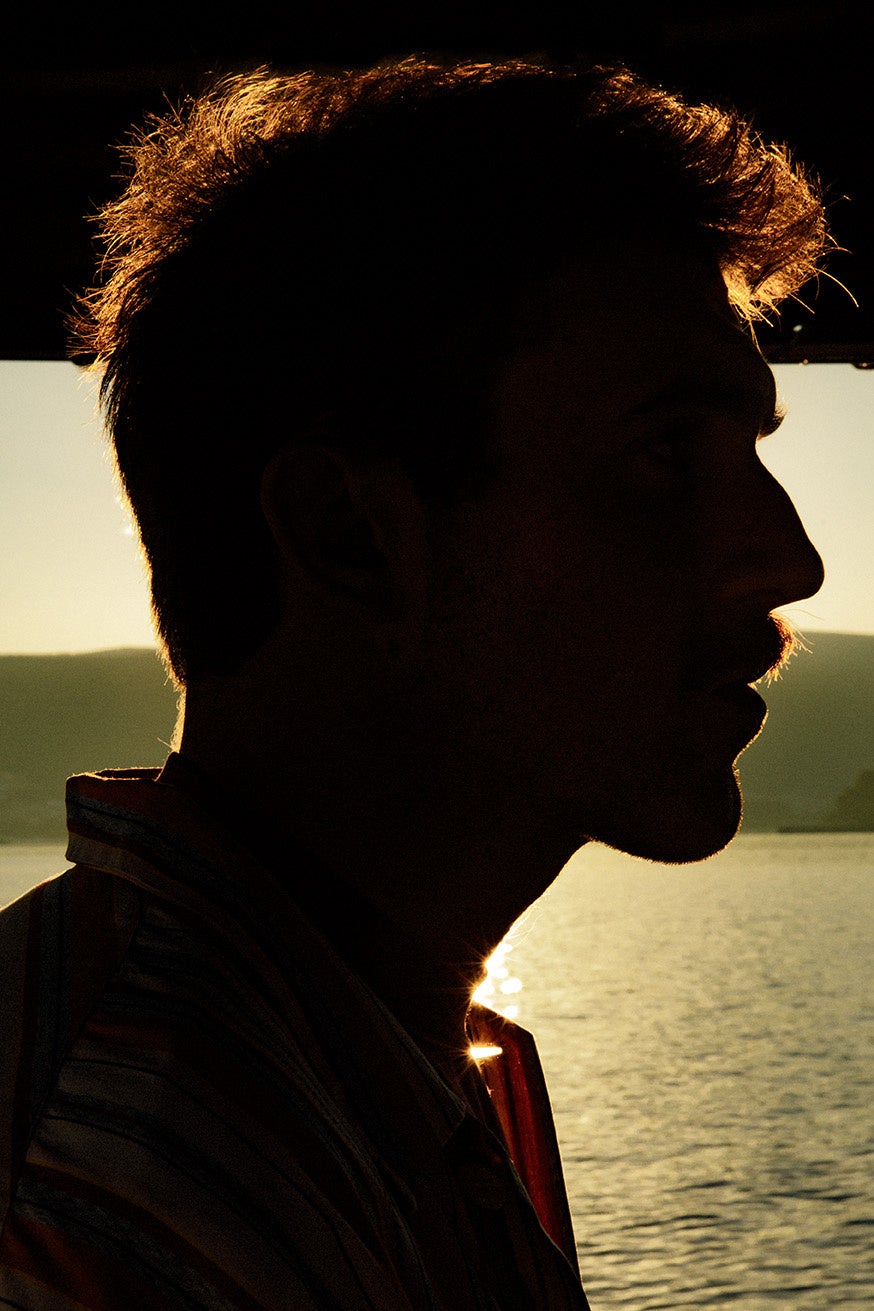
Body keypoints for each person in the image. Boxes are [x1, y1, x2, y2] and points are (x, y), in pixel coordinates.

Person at [0, 56, 826, 1308]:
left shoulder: (367, 1057)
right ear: (352, 536)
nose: (789, 560)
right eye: (665, 455)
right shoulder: (128, 1198)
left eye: (749, 453)